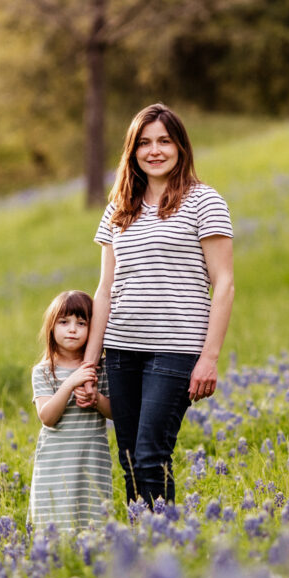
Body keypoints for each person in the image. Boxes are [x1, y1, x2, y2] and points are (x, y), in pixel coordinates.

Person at [80, 102, 234, 508]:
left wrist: (209, 358)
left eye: (164, 141)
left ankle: (163, 549)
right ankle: (142, 553)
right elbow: (105, 289)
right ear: (132, 151)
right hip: (122, 350)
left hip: (176, 349)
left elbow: (224, 284)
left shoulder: (205, 201)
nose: (155, 150)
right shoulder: (119, 209)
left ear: (180, 147)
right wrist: (90, 364)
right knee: (130, 460)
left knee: (151, 457)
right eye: (144, 143)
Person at [29, 290, 113, 531]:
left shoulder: (100, 369)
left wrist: (96, 398)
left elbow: (115, 412)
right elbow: (47, 417)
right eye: (64, 322)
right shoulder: (44, 371)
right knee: (56, 523)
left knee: (92, 523)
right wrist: (70, 383)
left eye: (81, 323)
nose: (72, 329)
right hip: (56, 460)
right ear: (51, 328)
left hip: (91, 457)